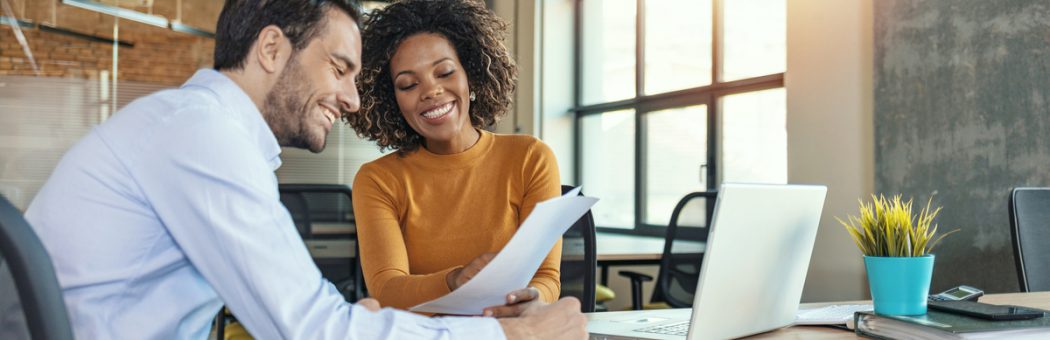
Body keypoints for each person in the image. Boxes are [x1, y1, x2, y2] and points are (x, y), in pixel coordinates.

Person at [24, 0, 586, 339]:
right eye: (340, 68)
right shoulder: (200, 135)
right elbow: (307, 328)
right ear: (272, 49)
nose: (353, 99)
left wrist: (359, 323)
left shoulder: (200, 130)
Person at [346, 0, 562, 317]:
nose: (431, 91)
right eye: (408, 84)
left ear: (471, 76)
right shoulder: (378, 179)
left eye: (445, 72)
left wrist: (531, 299)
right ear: (392, 101)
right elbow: (387, 289)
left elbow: (547, 279)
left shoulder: (531, 158)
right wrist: (455, 280)